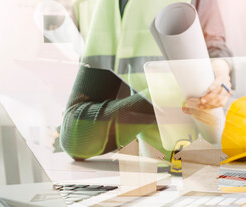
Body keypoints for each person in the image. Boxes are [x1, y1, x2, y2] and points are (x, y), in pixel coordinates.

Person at [60, 0, 233, 164]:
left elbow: (215, 48)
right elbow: (74, 138)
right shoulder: (109, 5)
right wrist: (162, 94)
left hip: (202, 161)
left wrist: (221, 72)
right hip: (148, 168)